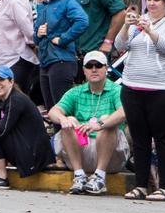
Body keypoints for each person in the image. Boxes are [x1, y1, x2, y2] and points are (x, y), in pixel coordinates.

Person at [115, 0, 165, 201]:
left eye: (156, 0)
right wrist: (126, 26)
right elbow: (120, 45)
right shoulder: (139, 21)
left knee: (163, 138)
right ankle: (140, 185)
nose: (152, 4)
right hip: (133, 87)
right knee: (140, 139)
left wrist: (150, 31)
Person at [47, 51, 129, 195]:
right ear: (84, 70)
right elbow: (53, 112)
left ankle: (100, 177)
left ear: (106, 68)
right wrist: (63, 119)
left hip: (111, 156)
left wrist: (100, 124)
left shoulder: (117, 90)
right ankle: (79, 176)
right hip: (81, 151)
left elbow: (124, 112)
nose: (94, 69)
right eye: (89, 66)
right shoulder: (75, 92)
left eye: (98, 65)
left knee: (107, 119)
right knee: (69, 121)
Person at [0, 65, 55, 188]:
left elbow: (1, 131)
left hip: (34, 155)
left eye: (1, 80)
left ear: (11, 81)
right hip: (25, 149)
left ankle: (1, 177)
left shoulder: (16, 100)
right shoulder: (3, 100)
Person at [34, 0, 88, 109]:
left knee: (62, 111)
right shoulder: (43, 5)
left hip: (61, 61)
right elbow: (35, 38)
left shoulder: (68, 1)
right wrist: (38, 34)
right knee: (51, 111)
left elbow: (82, 21)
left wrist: (63, 39)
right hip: (44, 62)